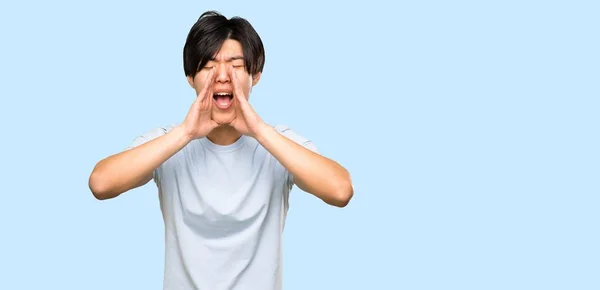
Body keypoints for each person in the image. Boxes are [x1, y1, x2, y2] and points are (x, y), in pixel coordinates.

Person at [88, 10, 353, 290]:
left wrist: (260, 131)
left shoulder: (279, 144)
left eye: (236, 65)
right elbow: (101, 183)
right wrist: (186, 133)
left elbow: (340, 190)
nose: (222, 76)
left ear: (256, 75)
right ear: (190, 77)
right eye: (209, 65)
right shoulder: (169, 142)